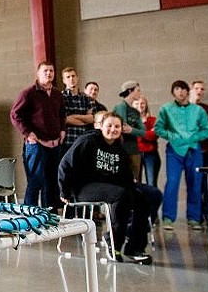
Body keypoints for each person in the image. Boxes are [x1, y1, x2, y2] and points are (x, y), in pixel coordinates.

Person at [58, 113, 162, 264]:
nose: (113, 129)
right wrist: (64, 190)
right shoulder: (88, 141)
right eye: (109, 125)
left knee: (142, 199)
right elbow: (65, 164)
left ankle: (135, 248)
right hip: (82, 188)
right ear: (101, 126)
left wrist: (133, 190)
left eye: (117, 126)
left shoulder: (118, 148)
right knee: (122, 195)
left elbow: (125, 174)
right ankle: (114, 243)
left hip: (108, 188)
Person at [154, 80, 208, 230]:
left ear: (188, 91)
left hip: (194, 150)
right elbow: (158, 128)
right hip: (174, 151)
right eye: (177, 89)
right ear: (173, 92)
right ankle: (168, 217)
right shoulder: (166, 109)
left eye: (183, 89)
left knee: (195, 184)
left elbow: (207, 130)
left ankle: (194, 218)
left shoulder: (198, 110)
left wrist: (193, 138)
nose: (180, 92)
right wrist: (172, 136)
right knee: (172, 182)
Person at [11, 62, 65, 208]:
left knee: (52, 182)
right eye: (45, 71)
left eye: (51, 71)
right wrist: (27, 133)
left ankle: (50, 217)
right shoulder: (28, 93)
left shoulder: (57, 94)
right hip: (36, 145)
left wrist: (62, 129)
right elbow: (15, 115)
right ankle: (30, 217)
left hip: (54, 145)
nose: (49, 73)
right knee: (35, 182)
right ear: (38, 74)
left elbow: (61, 114)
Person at [112, 80, 145, 179]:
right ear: (130, 91)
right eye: (138, 90)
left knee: (136, 178)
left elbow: (143, 132)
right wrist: (133, 130)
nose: (140, 93)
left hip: (134, 149)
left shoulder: (135, 112)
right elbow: (123, 127)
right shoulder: (121, 106)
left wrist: (132, 130)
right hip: (122, 148)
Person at [59, 68, 95, 156]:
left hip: (83, 139)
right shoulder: (60, 97)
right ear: (64, 80)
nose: (71, 79)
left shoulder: (86, 98)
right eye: (68, 77)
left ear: (77, 77)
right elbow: (65, 119)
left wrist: (74, 116)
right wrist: (84, 121)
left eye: (73, 76)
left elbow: (91, 119)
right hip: (68, 140)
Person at [190, 80, 208, 170]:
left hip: (206, 150)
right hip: (192, 151)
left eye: (202, 89)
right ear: (190, 90)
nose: (199, 91)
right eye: (196, 88)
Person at [135, 95, 161, 189]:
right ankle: (139, 204)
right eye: (137, 103)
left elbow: (153, 136)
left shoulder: (153, 120)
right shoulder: (130, 121)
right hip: (135, 154)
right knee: (136, 184)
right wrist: (147, 132)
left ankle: (153, 204)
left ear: (146, 105)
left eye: (142, 103)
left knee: (152, 184)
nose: (140, 105)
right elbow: (130, 137)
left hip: (151, 154)